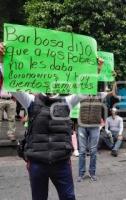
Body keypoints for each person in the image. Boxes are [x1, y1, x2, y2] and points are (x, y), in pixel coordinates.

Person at [0, 42, 103, 200]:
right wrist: (2, 60)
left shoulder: (67, 102)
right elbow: (12, 82)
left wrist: (95, 70)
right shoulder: (31, 102)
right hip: (37, 164)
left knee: (68, 197)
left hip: (61, 163)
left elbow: (86, 88)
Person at [77, 83, 117, 182]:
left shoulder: (100, 95)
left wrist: (114, 82)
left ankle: (92, 173)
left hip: (94, 126)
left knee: (93, 151)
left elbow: (113, 93)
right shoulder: (81, 94)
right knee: (82, 151)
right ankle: (81, 174)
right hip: (82, 126)